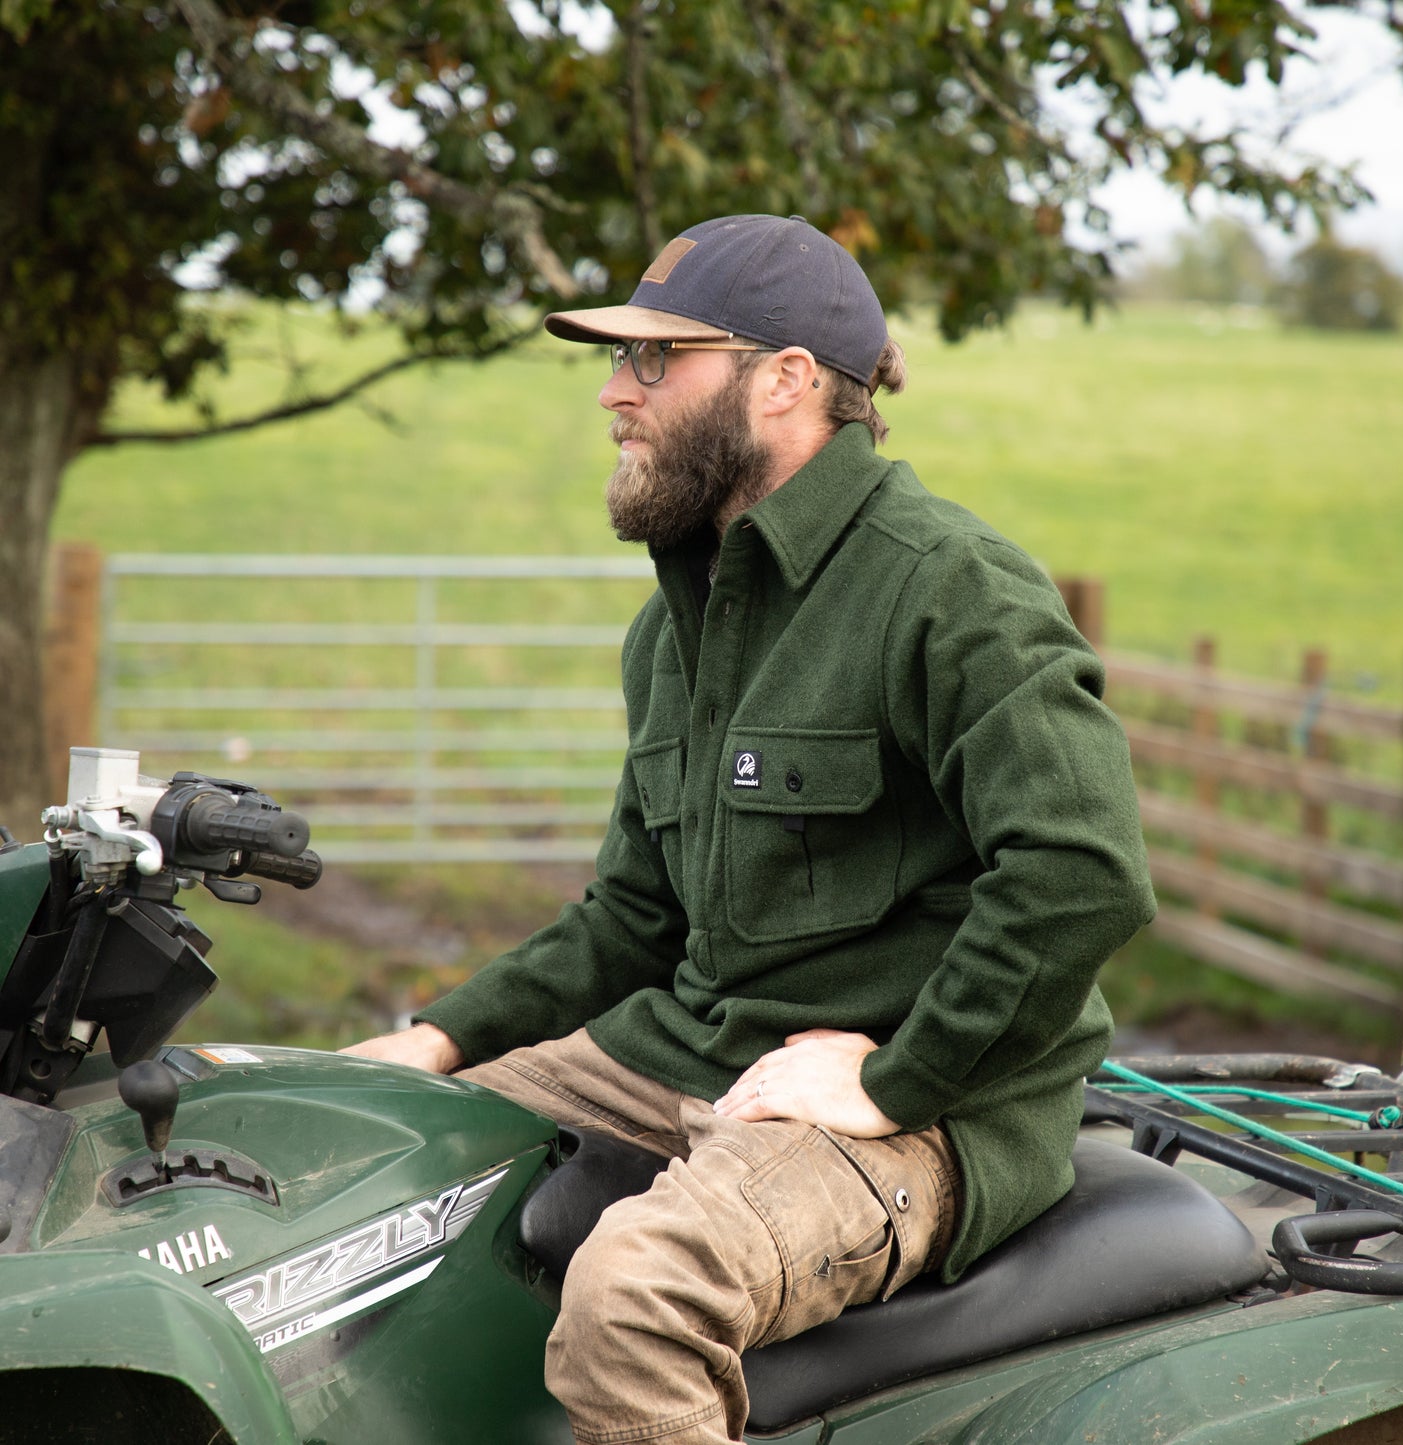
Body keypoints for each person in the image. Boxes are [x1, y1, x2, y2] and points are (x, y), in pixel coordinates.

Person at [343, 213, 1156, 1444]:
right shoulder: (676, 621)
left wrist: (896, 1077)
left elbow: (1081, 874)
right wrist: (436, 1039)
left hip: (923, 1108)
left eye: (654, 359)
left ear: (784, 379)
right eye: (616, 362)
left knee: (632, 1298)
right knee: (351, 1150)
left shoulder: (945, 588)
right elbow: (630, 918)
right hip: (694, 1047)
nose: (614, 392)